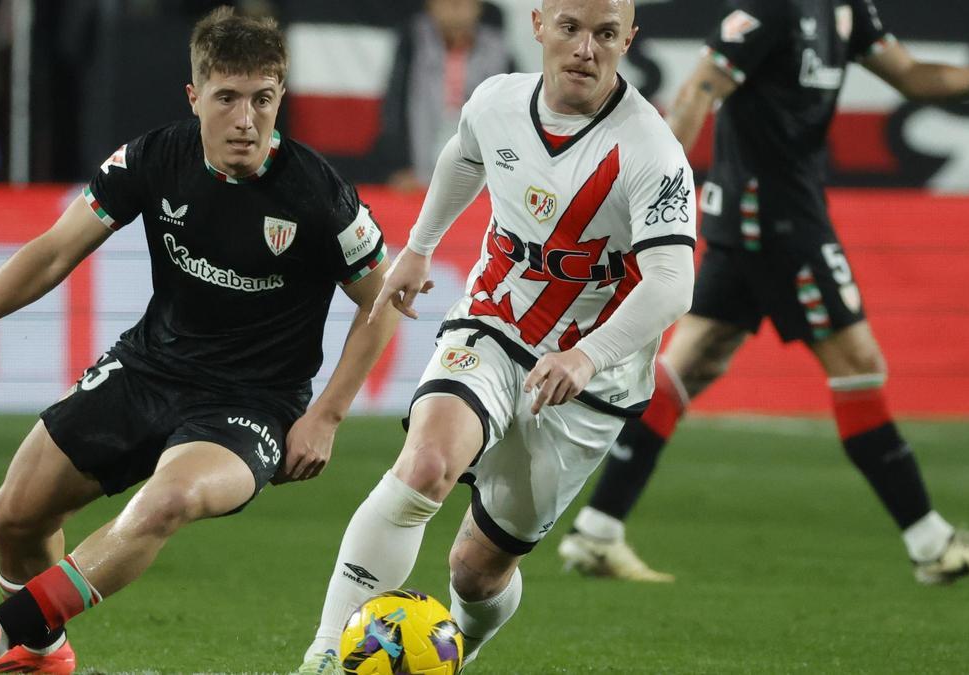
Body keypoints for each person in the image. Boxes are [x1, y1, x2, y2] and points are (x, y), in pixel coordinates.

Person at [0, 8, 397, 674]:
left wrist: (327, 414)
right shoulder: (153, 157)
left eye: (263, 99)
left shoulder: (319, 194)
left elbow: (384, 302)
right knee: (15, 516)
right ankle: (44, 654)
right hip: (149, 368)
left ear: (280, 96)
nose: (247, 119)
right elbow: (54, 252)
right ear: (195, 97)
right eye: (227, 98)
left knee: (168, 498)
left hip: (253, 404)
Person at [298, 0, 696, 671]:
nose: (584, 50)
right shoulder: (497, 101)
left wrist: (587, 353)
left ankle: (457, 646)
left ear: (629, 39)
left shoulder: (651, 151)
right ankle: (323, 657)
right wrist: (421, 246)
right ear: (538, 25)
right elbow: (465, 152)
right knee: (424, 466)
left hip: (588, 380)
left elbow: (671, 283)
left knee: (477, 571)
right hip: (494, 321)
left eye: (604, 35)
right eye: (570, 28)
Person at [558, 0, 969, 585]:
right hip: (775, 221)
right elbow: (698, 90)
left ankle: (596, 531)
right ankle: (931, 544)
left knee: (690, 364)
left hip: (769, 216)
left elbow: (911, 75)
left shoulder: (846, 10)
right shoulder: (767, 9)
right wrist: (649, 194)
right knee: (857, 363)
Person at [376, 0, 515, 192]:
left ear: (479, 7)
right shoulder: (413, 42)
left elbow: (513, 116)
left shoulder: (498, 50)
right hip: (418, 176)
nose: (455, 6)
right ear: (430, 6)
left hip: (483, 177)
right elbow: (395, 109)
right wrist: (400, 166)